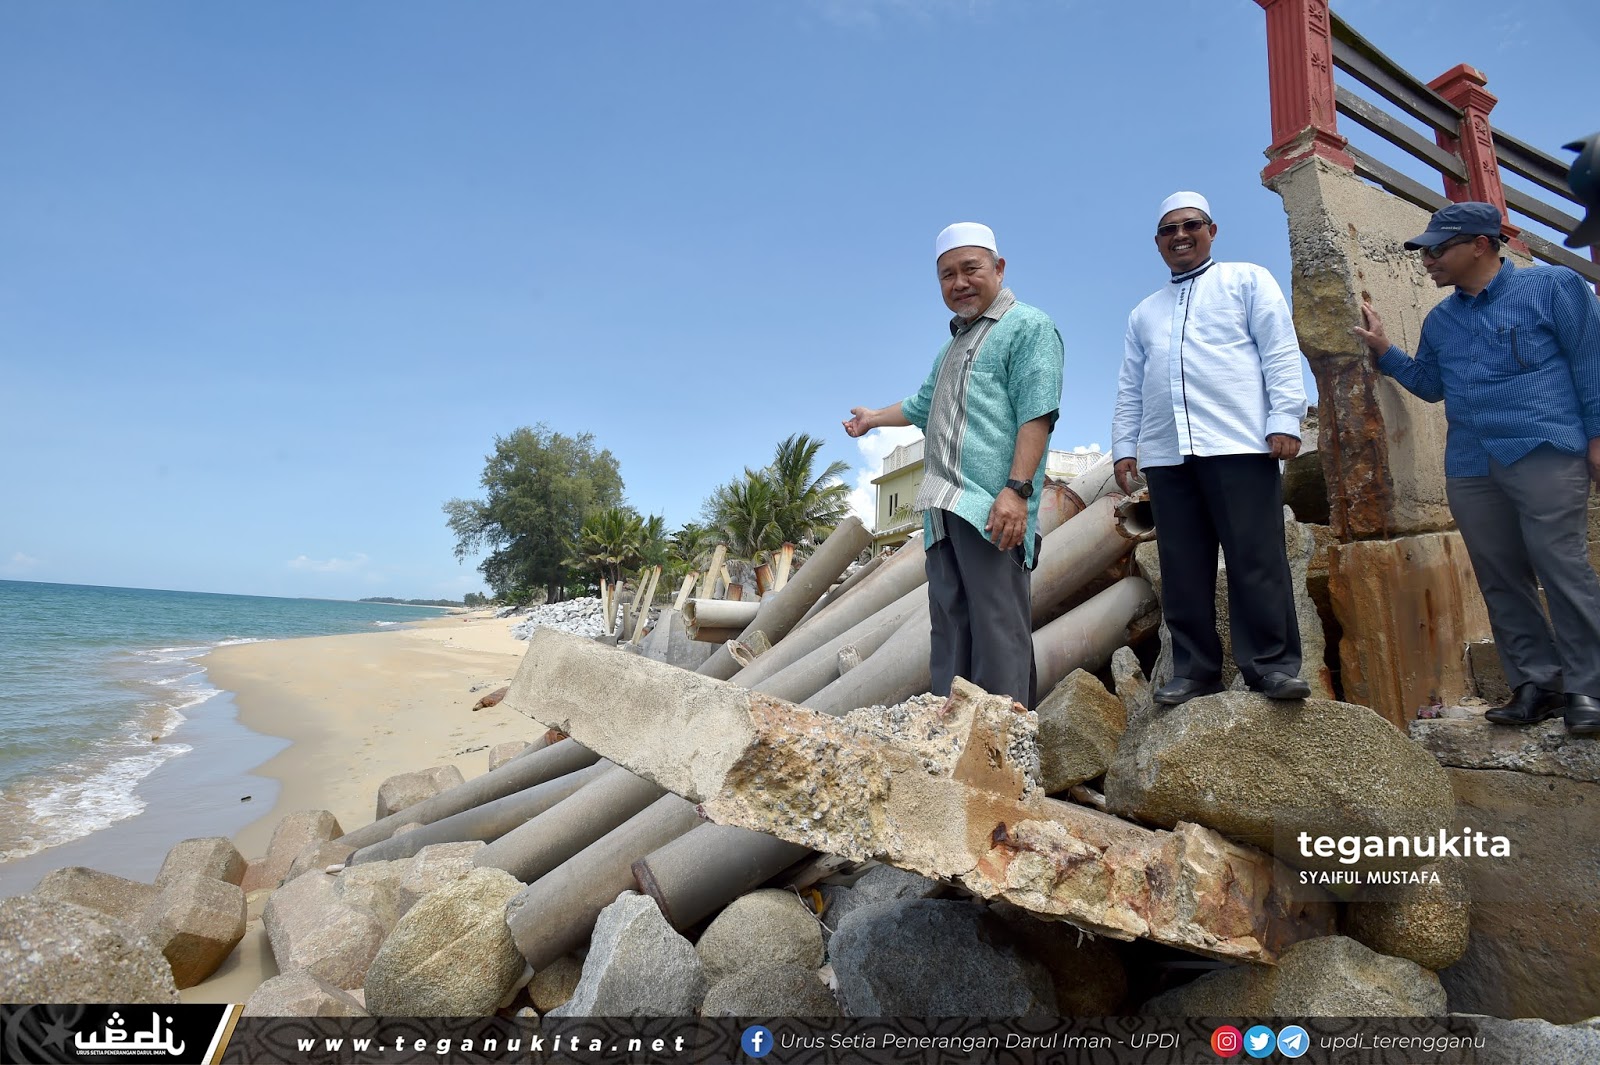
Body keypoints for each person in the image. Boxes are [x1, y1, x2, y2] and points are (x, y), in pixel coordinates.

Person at [1353, 201, 1600, 737]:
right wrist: (1385, 350)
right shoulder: (1440, 321)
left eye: (1438, 249)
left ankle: (1591, 686)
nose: (1427, 260)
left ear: (1481, 244)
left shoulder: (1553, 286)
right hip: (1470, 464)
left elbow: (1591, 362)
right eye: (1425, 252)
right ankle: (1537, 683)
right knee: (1499, 577)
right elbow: (1430, 385)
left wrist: (1598, 437)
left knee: (1562, 566)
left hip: (1544, 449)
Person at [844, 222, 1064, 710]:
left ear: (999, 268)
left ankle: (1002, 746)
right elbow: (921, 405)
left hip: (991, 510)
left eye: (971, 269)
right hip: (942, 513)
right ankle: (949, 742)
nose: (959, 283)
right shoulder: (951, 348)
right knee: (950, 633)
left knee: (997, 636)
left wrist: (1016, 492)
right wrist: (873, 419)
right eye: (947, 275)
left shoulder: (1028, 326)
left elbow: (1037, 413)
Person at [1112, 191, 1311, 706]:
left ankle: (1271, 667)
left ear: (1211, 230)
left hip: (1239, 442)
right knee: (1182, 568)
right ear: (1157, 242)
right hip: (1167, 453)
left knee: (1256, 558)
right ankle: (1196, 671)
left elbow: (1280, 351)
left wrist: (1284, 418)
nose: (1180, 236)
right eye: (1168, 230)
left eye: (1191, 225)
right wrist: (1124, 445)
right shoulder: (1144, 313)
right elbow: (1131, 386)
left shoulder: (1247, 280)